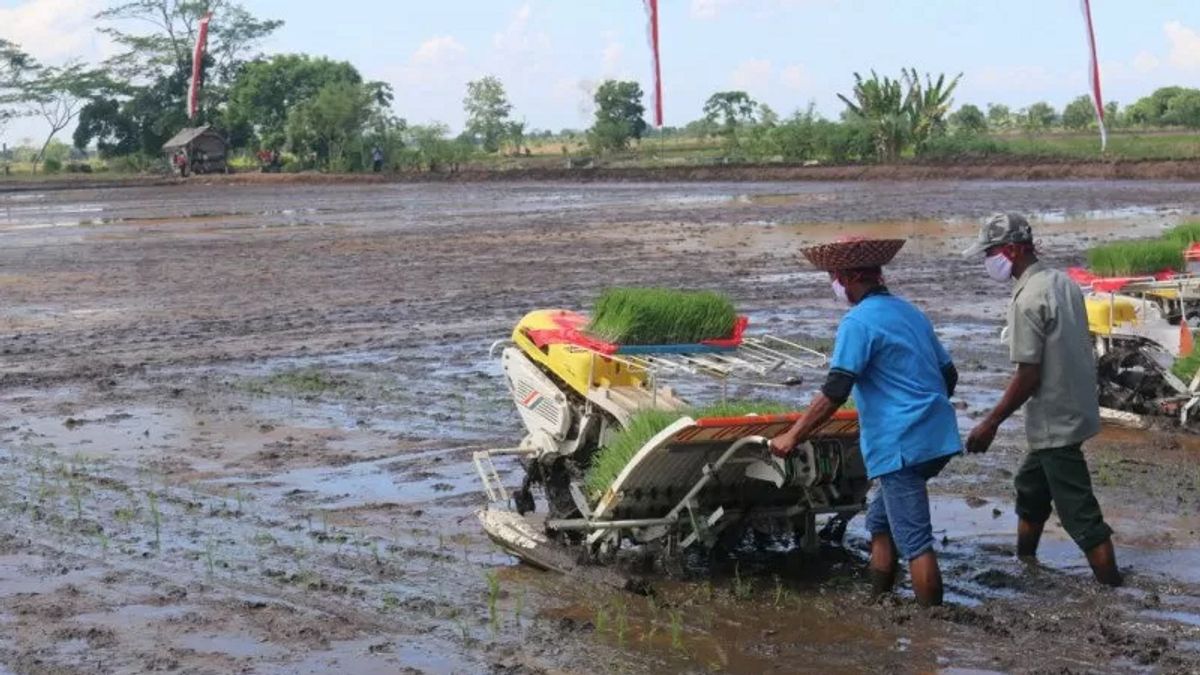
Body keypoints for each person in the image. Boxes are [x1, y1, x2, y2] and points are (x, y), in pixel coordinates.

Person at [770, 238, 961, 607]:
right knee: (879, 522)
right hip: (936, 437)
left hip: (900, 444)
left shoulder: (857, 322)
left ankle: (933, 628)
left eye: (834, 278)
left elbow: (836, 389)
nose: (834, 286)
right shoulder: (910, 313)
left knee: (916, 541)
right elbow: (948, 375)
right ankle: (879, 600)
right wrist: (921, 406)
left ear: (849, 277)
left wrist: (793, 436)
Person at [963, 213, 1122, 587]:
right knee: (1031, 486)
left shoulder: (1027, 299)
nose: (989, 260)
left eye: (992, 252)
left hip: (1055, 418)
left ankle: (1112, 587)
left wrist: (989, 423)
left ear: (1013, 250)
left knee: (1078, 512)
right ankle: (1026, 559)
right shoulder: (1062, 282)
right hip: (1076, 405)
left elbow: (1028, 375)